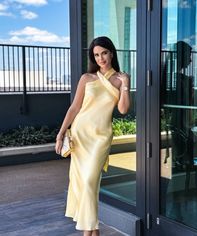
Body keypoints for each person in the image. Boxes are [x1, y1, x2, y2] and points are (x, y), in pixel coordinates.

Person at [55, 36, 130, 236]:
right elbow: (74, 108)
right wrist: (61, 133)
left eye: (104, 53)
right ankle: (90, 231)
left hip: (100, 138)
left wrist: (125, 85)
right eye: (96, 55)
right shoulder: (87, 78)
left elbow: (123, 109)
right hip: (80, 135)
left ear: (111, 53)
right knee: (83, 184)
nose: (100, 58)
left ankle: (92, 229)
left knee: (89, 181)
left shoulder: (119, 79)